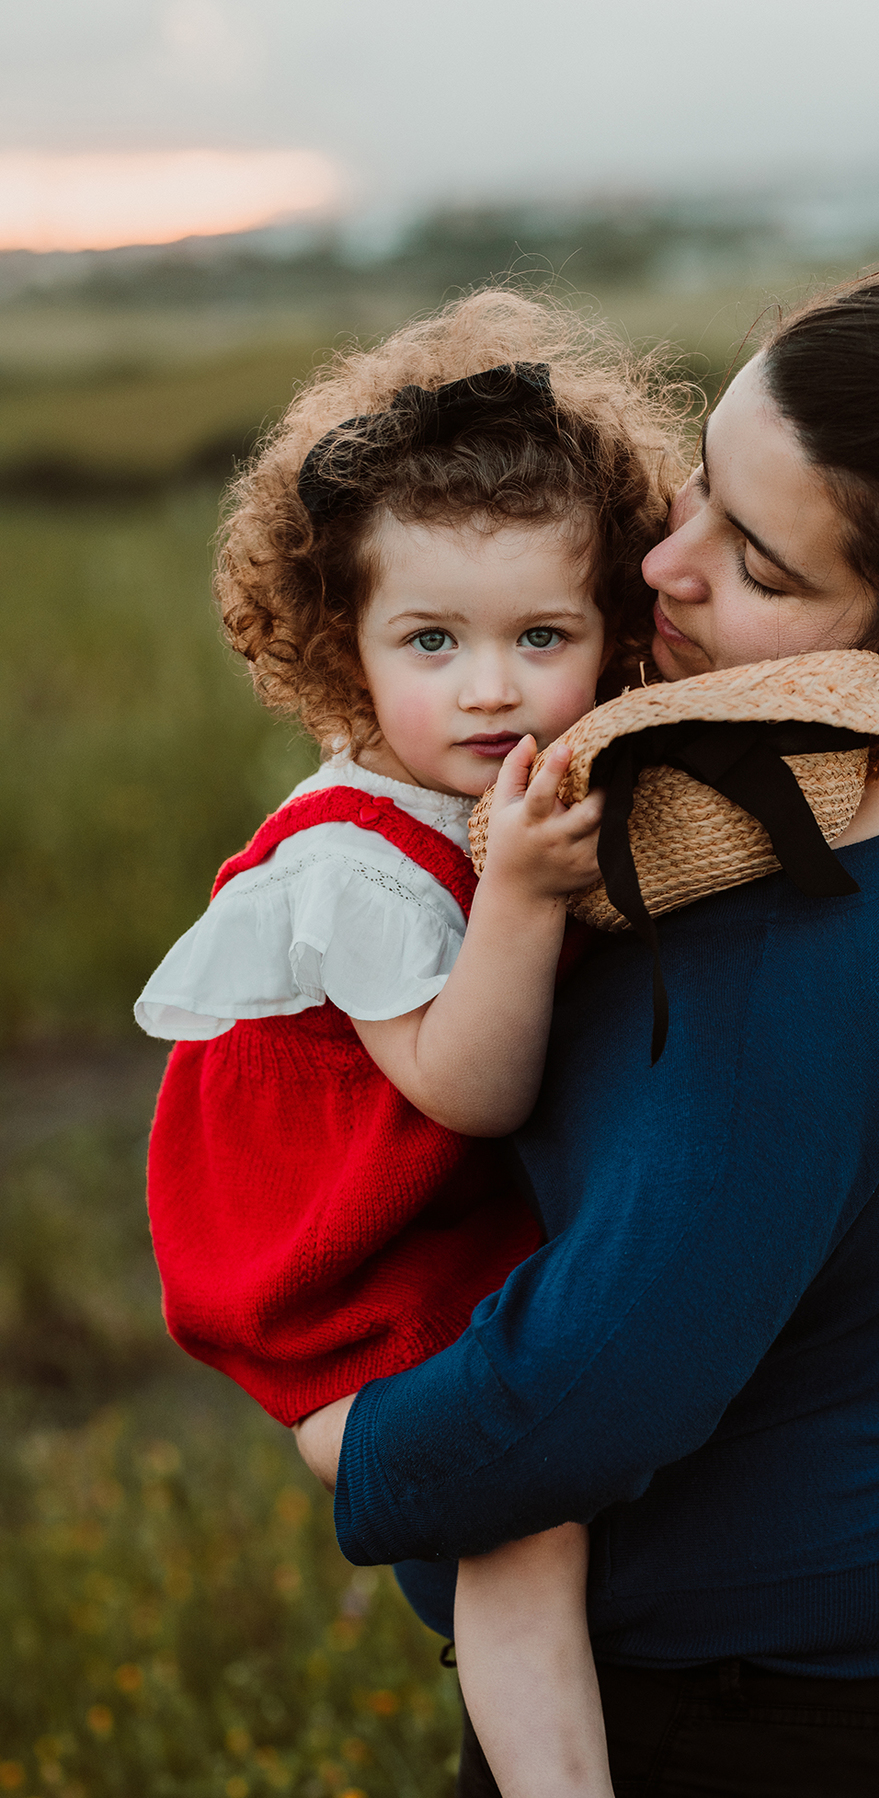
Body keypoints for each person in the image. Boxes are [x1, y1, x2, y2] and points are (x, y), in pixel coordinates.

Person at [296, 261, 879, 1797]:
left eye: (761, 566)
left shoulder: (808, 958)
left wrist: (332, 1421)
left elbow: (579, 1407)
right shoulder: (866, 737)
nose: (664, 564)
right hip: (799, 1633)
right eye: (705, 483)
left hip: (751, 1716)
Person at [135, 292, 693, 1798]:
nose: (492, 687)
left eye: (542, 636)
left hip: (431, 1221)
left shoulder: (529, 757)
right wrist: (518, 893)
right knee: (524, 1515)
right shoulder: (353, 866)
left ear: (615, 634)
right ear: (346, 640)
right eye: (431, 640)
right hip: (339, 1272)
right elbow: (469, 1081)